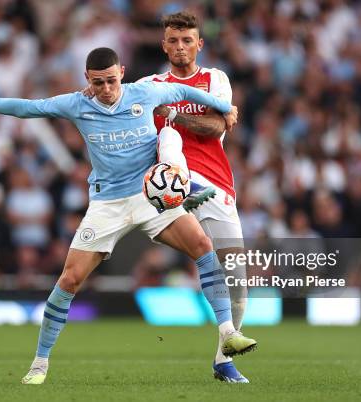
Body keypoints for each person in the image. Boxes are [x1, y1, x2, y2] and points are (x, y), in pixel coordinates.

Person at [0, 47, 256, 385]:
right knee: (69, 280)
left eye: (111, 80)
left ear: (122, 72)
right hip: (107, 204)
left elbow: (183, 90)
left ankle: (227, 332)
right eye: (98, 83)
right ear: (87, 80)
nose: (106, 89)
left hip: (149, 195)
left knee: (202, 243)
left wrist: (226, 108)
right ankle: (39, 363)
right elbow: (27, 108)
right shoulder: (78, 104)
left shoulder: (145, 92)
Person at [139, 12, 250, 383]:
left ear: (199, 44)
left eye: (188, 40)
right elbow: (115, 101)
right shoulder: (150, 84)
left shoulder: (215, 79)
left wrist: (172, 115)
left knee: (238, 283)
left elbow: (216, 125)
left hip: (217, 185)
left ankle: (223, 362)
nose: (180, 47)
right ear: (164, 44)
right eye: (173, 40)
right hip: (172, 186)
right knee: (202, 256)